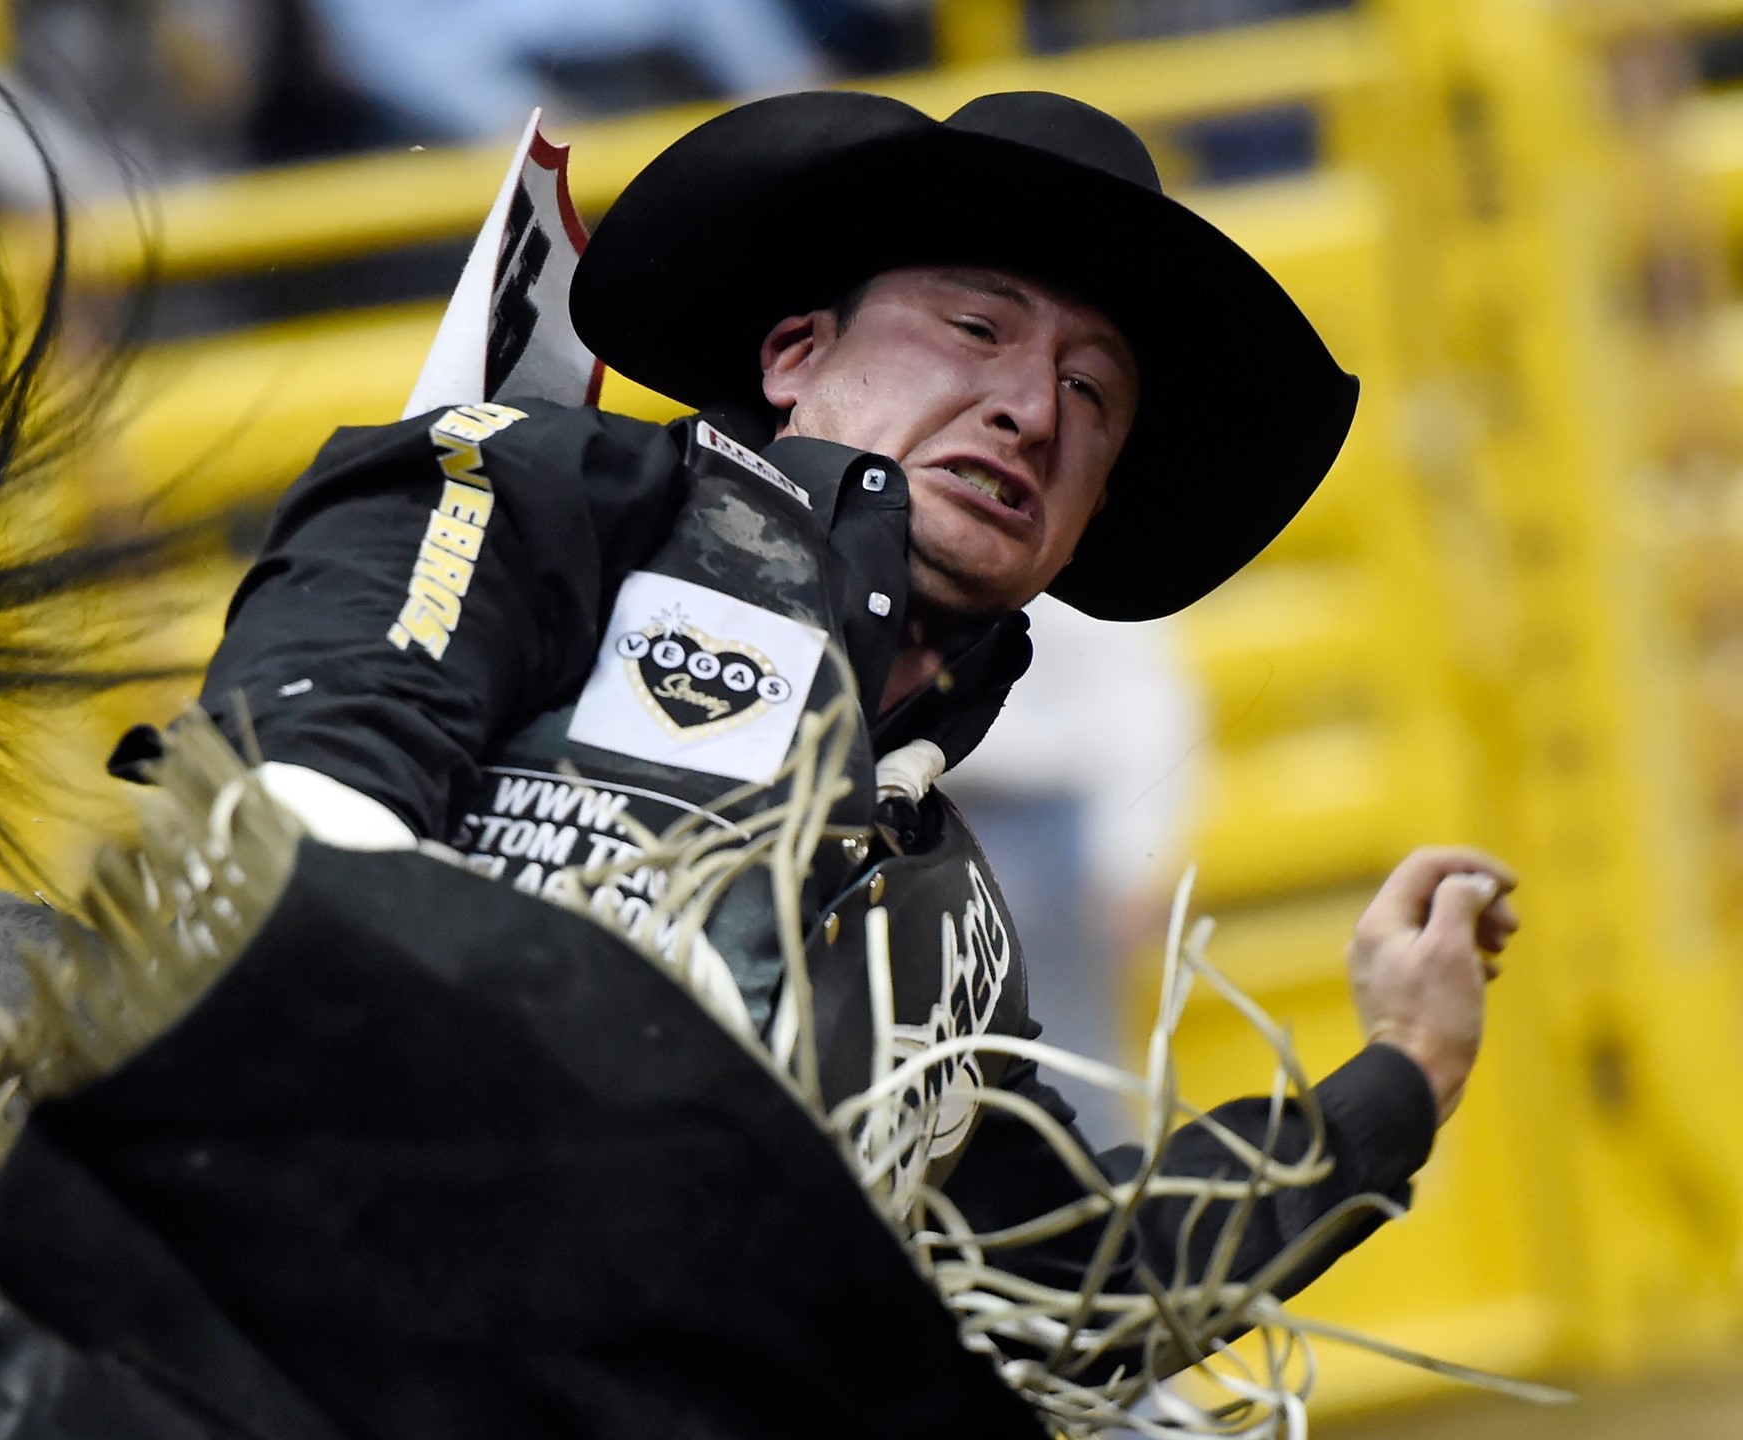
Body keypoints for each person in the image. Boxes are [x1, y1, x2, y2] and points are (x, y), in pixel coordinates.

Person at [186, 90, 1516, 1310]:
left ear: (1091, 511)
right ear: (793, 355)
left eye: (1091, 392)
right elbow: (308, 766)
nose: (1029, 410)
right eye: (977, 329)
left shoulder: (950, 932)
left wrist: (1403, 1073)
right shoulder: (550, 496)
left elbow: (1065, 1292)